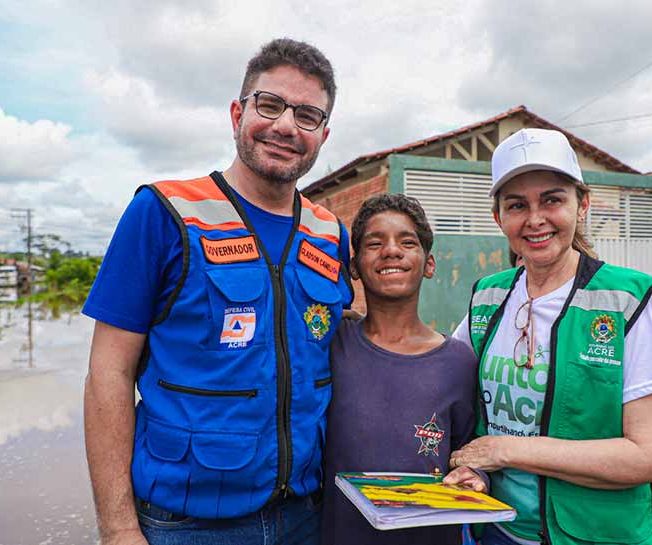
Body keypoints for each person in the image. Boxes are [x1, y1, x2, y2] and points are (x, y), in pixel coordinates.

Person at [82, 38, 352, 545]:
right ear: (237, 112)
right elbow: (108, 374)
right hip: (184, 525)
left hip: (306, 518)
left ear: (324, 133)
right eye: (269, 105)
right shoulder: (164, 214)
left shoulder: (331, 234)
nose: (286, 127)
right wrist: (118, 529)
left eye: (308, 115)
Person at [444, 128, 652, 545]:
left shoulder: (624, 301)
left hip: (597, 536)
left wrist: (504, 451)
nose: (535, 219)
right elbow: (454, 398)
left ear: (582, 204)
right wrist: (473, 467)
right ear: (498, 217)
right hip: (500, 531)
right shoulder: (488, 297)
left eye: (552, 200)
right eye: (517, 205)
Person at [320, 193, 482, 545]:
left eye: (407, 242)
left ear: (429, 264)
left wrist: (475, 473)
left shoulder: (459, 361)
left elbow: (469, 450)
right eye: (375, 243)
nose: (391, 251)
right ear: (354, 267)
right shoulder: (332, 345)